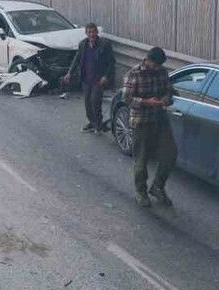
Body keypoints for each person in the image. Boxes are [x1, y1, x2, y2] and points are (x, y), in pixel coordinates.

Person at [122, 46, 177, 207]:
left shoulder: (162, 72)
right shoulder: (133, 74)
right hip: (141, 122)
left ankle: (158, 187)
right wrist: (147, 102)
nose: (158, 69)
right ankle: (141, 191)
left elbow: (169, 91)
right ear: (148, 60)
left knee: (170, 154)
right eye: (155, 65)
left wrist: (166, 99)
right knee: (142, 160)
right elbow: (127, 98)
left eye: (160, 66)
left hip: (160, 119)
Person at [63, 23, 116, 133]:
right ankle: (92, 123)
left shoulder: (104, 44)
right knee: (87, 103)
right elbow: (76, 60)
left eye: (93, 31)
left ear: (97, 32)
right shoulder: (83, 44)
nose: (91, 34)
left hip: (99, 79)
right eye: (89, 32)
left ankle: (98, 124)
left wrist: (106, 76)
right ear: (86, 33)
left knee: (95, 102)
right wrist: (69, 73)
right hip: (86, 79)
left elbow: (111, 62)